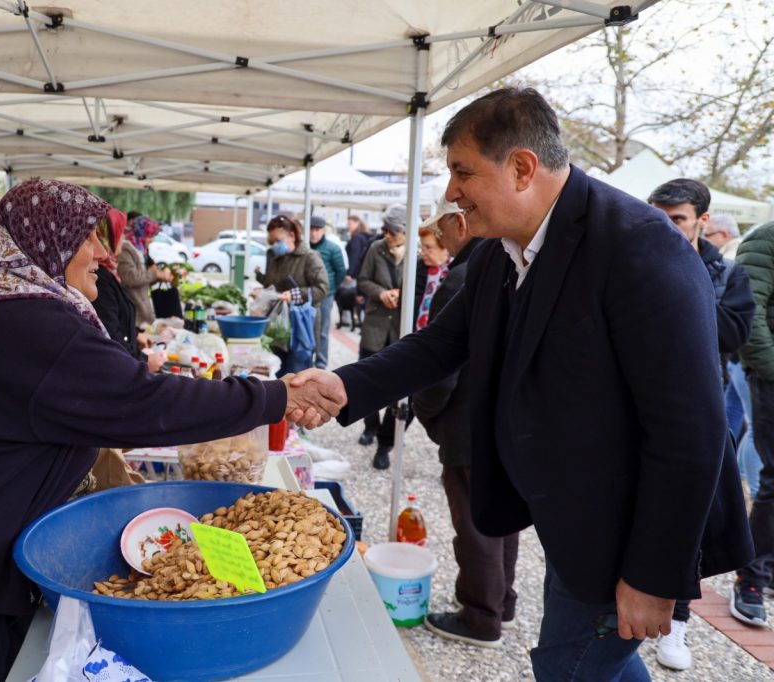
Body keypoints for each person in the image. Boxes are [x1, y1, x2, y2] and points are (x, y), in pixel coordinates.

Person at [290, 87, 752, 679]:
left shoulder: (639, 246)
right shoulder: (499, 247)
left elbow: (690, 430)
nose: (451, 191)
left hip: (628, 527)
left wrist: (654, 576)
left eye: (462, 172)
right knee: (596, 665)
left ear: (522, 168)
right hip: (570, 510)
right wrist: (345, 386)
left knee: (568, 666)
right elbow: (441, 344)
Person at [0, 179, 340, 681]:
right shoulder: (30, 322)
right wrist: (276, 398)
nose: (104, 253)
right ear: (44, 240)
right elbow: (146, 403)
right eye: (86, 237)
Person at [647, 178, 754, 671]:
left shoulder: (727, 274)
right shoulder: (634, 261)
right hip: (639, 407)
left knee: (689, 520)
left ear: (702, 221)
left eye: (678, 220)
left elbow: (733, 334)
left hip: (698, 411)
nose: (667, 229)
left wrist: (683, 282)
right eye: (659, 219)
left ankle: (678, 621)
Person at [409, 198, 520, 649]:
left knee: (475, 523)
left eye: (441, 232)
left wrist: (427, 413)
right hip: (504, 417)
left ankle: (481, 615)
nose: (441, 242)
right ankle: (502, 601)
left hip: (469, 419)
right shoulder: (508, 265)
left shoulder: (463, 276)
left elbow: (438, 365)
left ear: (459, 223)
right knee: (501, 517)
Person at [731, 219, 774, 630]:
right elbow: (750, 311)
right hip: (770, 379)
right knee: (773, 480)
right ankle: (752, 577)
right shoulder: (765, 238)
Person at [356, 204, 411, 469]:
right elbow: (362, 280)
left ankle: (385, 443)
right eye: (385, 230)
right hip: (375, 325)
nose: (387, 235)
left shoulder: (418, 252)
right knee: (366, 380)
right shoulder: (375, 248)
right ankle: (370, 425)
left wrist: (402, 295)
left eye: (392, 231)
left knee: (397, 387)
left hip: (402, 329)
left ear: (405, 231)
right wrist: (381, 293)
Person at [90, 208, 165, 373]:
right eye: (122, 233)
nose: (124, 240)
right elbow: (110, 336)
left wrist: (134, 335)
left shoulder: (108, 272)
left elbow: (114, 323)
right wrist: (144, 361)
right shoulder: (99, 278)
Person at [259, 214, 329, 375]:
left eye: (278, 240)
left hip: (300, 330)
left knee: (297, 377)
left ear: (292, 235)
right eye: (272, 242)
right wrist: (263, 295)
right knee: (277, 376)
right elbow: (269, 286)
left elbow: (322, 288)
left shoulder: (310, 257)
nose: (275, 245)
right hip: (277, 329)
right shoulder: (276, 260)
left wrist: (294, 295)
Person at [118, 214, 172, 328]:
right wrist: (154, 274)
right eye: (149, 236)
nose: (151, 240)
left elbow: (142, 279)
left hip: (142, 309)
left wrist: (158, 277)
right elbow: (130, 278)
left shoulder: (140, 249)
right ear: (140, 233)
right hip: (135, 312)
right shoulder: (126, 249)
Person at [309, 215, 346, 370]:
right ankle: (307, 360)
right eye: (311, 229)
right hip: (307, 294)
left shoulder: (332, 248)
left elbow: (341, 271)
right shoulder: (304, 247)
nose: (313, 233)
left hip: (325, 295)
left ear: (323, 230)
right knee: (307, 329)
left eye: (317, 230)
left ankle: (321, 363)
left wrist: (331, 288)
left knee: (322, 331)